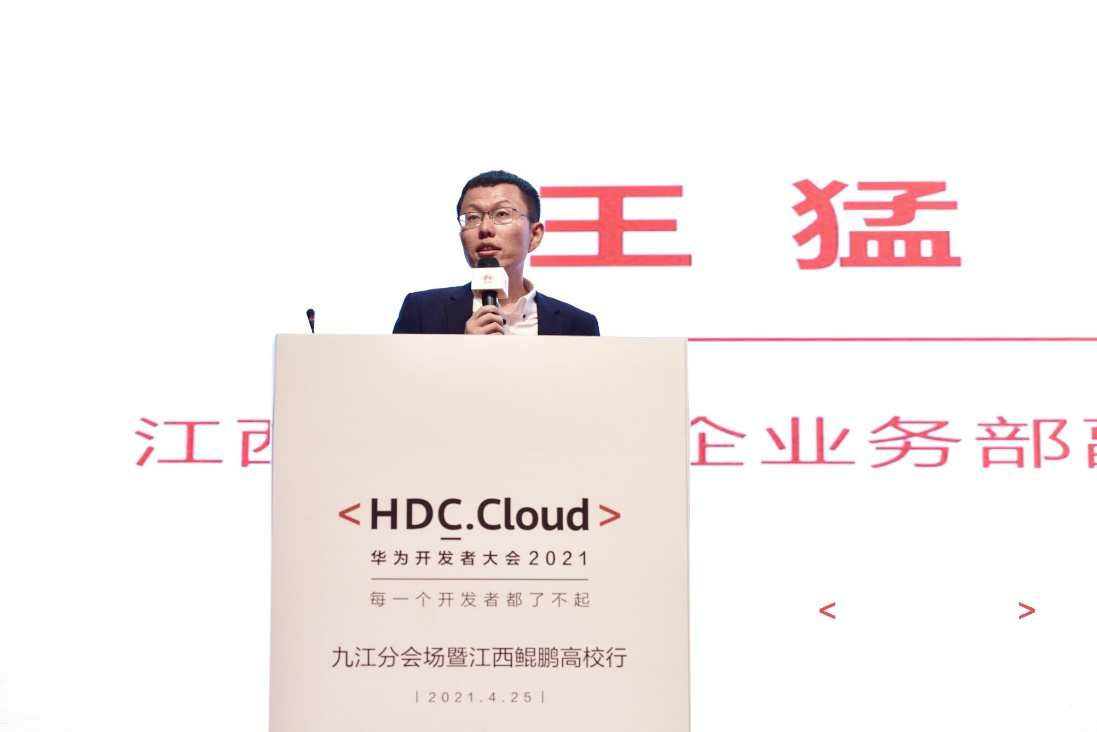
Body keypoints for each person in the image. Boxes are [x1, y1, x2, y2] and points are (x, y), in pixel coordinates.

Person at [392, 170, 599, 336]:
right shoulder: (423, 311)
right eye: (473, 217)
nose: (485, 229)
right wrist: (461, 351)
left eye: (502, 214)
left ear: (535, 235)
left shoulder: (577, 325)